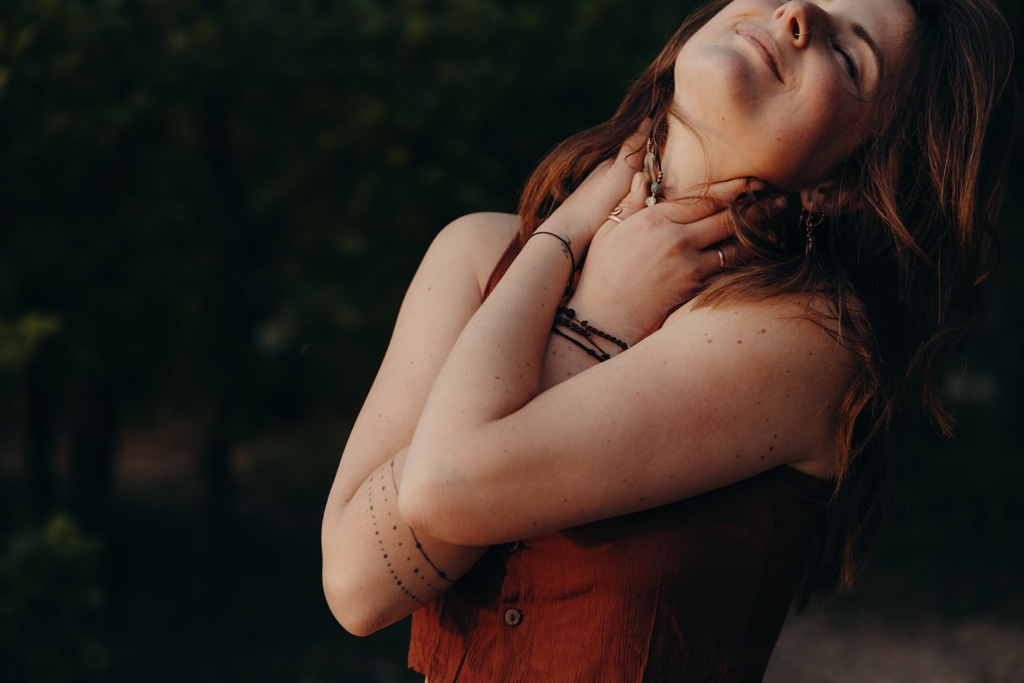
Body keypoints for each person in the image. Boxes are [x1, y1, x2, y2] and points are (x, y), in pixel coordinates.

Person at [321, 0, 1015, 679]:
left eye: (846, 53)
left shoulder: (806, 337)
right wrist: (568, 251)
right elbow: (357, 588)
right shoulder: (477, 253)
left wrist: (597, 306)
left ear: (845, 183)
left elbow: (446, 483)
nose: (797, 13)